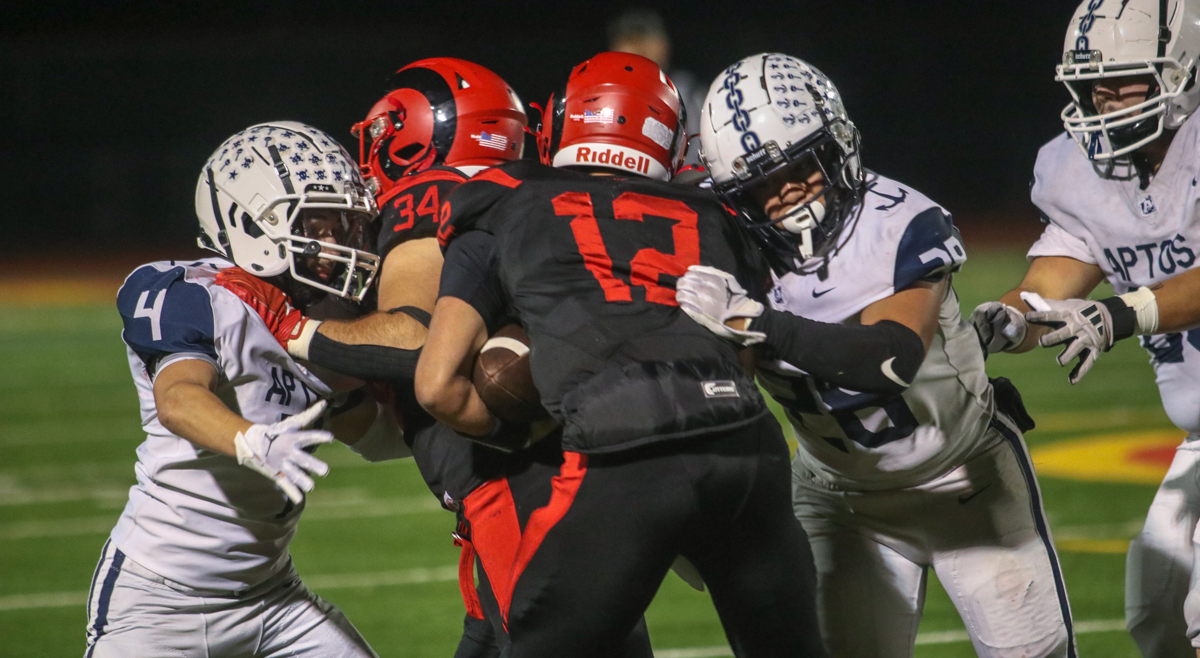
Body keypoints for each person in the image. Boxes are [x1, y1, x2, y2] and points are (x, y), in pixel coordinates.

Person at [414, 51, 825, 658]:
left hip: (622, 451)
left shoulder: (503, 200)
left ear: (563, 122)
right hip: (744, 445)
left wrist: (532, 431)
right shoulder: (713, 214)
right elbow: (740, 358)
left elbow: (437, 386)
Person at [677, 53, 1076, 658]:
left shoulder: (899, 222)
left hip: (962, 478)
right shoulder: (722, 233)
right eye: (760, 183)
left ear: (837, 146)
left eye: (801, 166)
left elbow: (890, 360)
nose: (785, 191)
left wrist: (757, 322)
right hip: (836, 497)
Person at [256, 58, 651, 657]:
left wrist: (294, 330)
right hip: (572, 479)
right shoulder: (529, 195)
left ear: (421, 134)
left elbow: (414, 340)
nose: (375, 155)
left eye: (387, 136)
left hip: (523, 496)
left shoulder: (434, 196)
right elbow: (393, 430)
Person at [84, 121, 410, 658]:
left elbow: (377, 437)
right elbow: (178, 399)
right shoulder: (198, 294)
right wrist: (252, 440)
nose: (337, 243)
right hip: (159, 603)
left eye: (344, 225)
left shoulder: (324, 315)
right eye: (319, 224)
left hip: (273, 597)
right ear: (253, 221)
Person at [971, 0, 1200, 658]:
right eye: (1093, 83)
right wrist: (1004, 323)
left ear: (1182, 70)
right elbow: (1048, 288)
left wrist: (1121, 316)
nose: (1102, 98)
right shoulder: (1083, 170)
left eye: (1122, 80)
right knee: (1157, 613)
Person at [608, 8, 706, 163]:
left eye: (647, 39)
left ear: (665, 45)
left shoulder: (688, 90)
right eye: (631, 41)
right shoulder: (603, 92)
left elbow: (701, 153)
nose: (640, 48)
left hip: (683, 175)